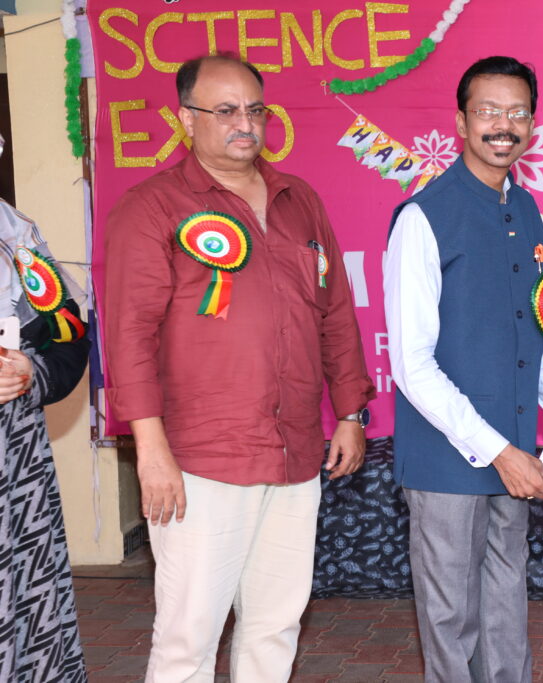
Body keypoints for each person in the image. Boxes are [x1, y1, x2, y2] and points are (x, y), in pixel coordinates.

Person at [102, 55, 375, 682]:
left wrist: (351, 413)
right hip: (200, 459)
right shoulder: (152, 207)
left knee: (276, 625)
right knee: (188, 637)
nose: (244, 124)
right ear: (185, 118)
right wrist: (151, 452)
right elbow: (130, 336)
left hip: (294, 452)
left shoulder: (299, 200)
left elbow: (335, 312)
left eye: (255, 110)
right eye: (225, 111)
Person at [383, 56, 543, 683]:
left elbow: (530, 332)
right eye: (487, 111)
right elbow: (412, 366)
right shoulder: (423, 217)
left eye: (517, 113)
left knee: (506, 608)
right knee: (451, 620)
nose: (503, 125)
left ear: (532, 124)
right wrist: (499, 451)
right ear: (461, 122)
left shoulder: (527, 210)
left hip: (516, 450)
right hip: (449, 457)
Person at [0, 160, 89, 682]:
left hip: (16, 462)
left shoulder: (16, 233)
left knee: (25, 606)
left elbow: (69, 335)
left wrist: (32, 372)